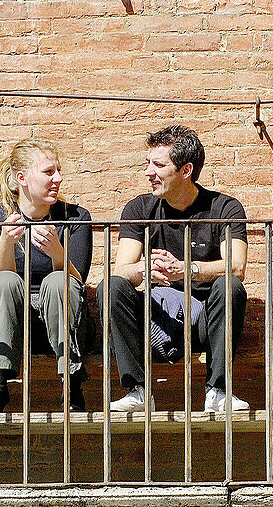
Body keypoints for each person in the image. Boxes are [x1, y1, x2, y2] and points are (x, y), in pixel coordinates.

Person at [99, 125, 249, 413]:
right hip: (156, 319)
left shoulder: (224, 208)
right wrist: (145, 270)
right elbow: (121, 270)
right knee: (112, 286)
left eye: (158, 164)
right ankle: (139, 391)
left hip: (205, 320)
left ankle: (217, 392)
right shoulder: (139, 209)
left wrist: (187, 270)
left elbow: (237, 266)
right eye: (148, 163)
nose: (148, 172)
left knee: (229, 286)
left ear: (185, 170)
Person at [0, 138, 93, 412]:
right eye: (49, 172)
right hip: (13, 326)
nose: (58, 179)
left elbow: (78, 279)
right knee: (5, 280)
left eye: (58, 171)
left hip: (64, 324)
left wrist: (56, 251)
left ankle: (72, 384)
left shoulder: (75, 217)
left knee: (58, 280)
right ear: (23, 178)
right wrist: (6, 241)